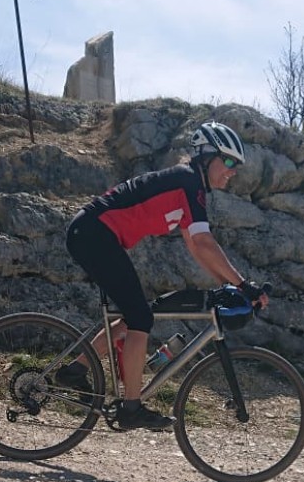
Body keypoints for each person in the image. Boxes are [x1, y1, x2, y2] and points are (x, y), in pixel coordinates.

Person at [63, 121, 268, 431]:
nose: (232, 170)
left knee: (133, 319)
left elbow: (196, 247)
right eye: (227, 162)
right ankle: (131, 407)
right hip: (94, 234)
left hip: (94, 234)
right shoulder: (188, 182)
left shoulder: (189, 186)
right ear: (206, 156)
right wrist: (243, 285)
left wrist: (228, 285)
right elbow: (203, 242)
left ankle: (74, 371)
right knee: (141, 318)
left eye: (235, 165)